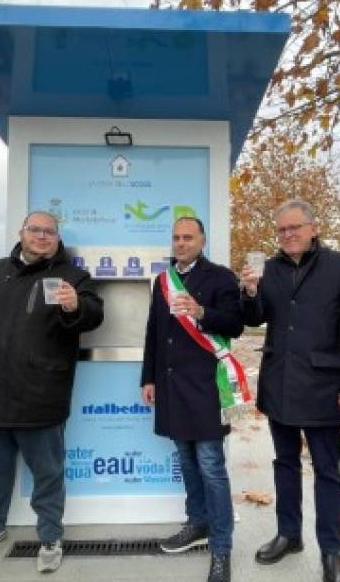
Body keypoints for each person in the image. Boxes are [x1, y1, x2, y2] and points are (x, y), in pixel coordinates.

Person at [0, 211, 103, 572]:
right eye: (34, 230)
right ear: (22, 233)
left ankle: (50, 535)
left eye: (48, 232)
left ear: (57, 237)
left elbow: (95, 314)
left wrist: (75, 305)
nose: (41, 236)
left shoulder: (73, 276)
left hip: (41, 392)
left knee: (48, 473)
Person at [240, 199, 340, 582]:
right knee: (284, 463)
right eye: (281, 230)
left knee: (327, 471)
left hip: (324, 387)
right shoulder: (269, 268)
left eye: (294, 227)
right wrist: (249, 291)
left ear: (313, 228)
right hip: (278, 383)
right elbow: (254, 318)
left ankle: (331, 551)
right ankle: (289, 534)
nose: (288, 235)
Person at [141, 217, 244, 582]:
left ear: (202, 239)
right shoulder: (163, 280)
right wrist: (148, 377)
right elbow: (154, 331)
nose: (181, 243)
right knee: (186, 461)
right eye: (176, 238)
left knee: (212, 467)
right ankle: (197, 522)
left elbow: (235, 324)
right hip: (171, 385)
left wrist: (201, 312)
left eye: (188, 237)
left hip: (204, 386)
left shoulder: (220, 277)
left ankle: (221, 547)